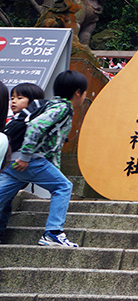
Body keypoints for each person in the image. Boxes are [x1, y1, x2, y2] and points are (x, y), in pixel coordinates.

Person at [0, 69, 88, 246]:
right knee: (64, 187)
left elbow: (52, 145)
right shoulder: (62, 108)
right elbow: (36, 126)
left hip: (11, 161)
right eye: (84, 92)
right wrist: (25, 157)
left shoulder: (47, 104)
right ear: (78, 92)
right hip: (29, 161)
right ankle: (53, 233)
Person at [0, 82, 47, 234]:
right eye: (12, 97)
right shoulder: (14, 120)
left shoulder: (28, 122)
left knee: (5, 201)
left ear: (32, 101)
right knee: (6, 202)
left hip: (16, 166)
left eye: (19, 98)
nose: (13, 101)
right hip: (9, 167)